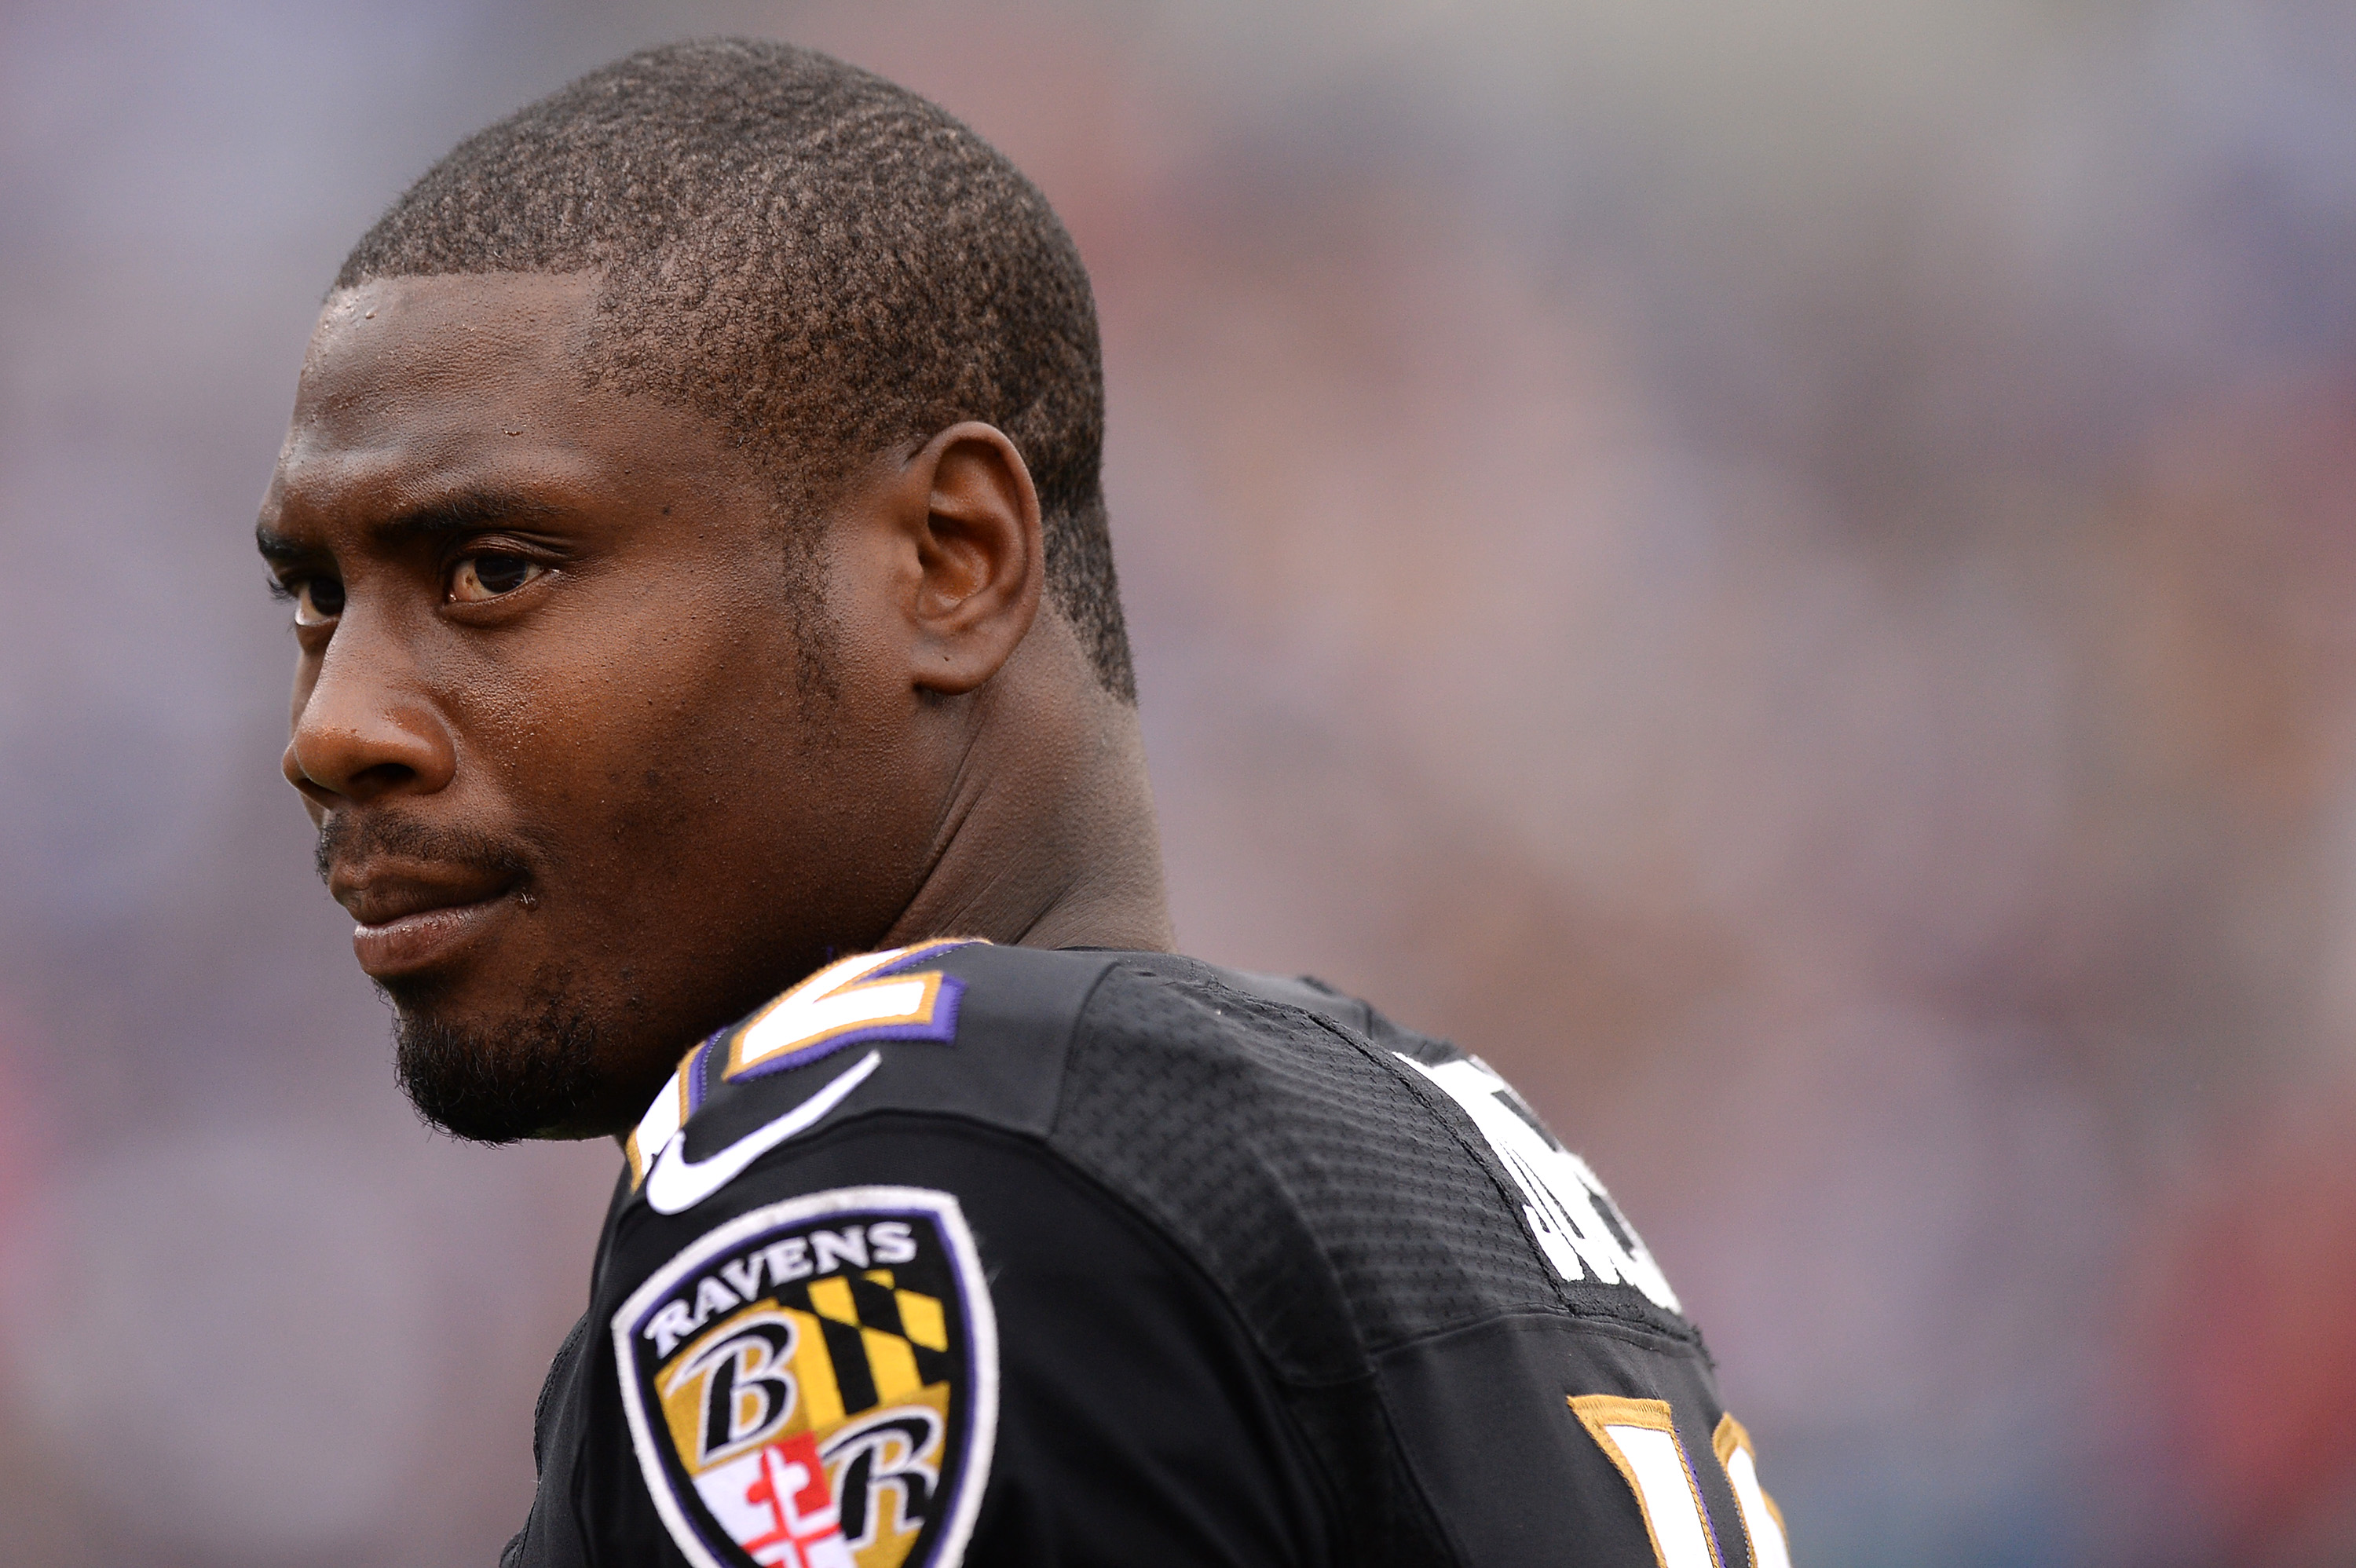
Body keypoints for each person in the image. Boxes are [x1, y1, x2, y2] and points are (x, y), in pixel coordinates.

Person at [254, 38, 1790, 1568]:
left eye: (496, 573)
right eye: (319, 601)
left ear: (949, 562)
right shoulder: (1426, 1151)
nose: (334, 731)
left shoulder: (891, 1191)